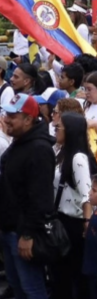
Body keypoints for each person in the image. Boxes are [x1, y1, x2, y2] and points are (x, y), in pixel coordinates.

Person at [0, 94, 56, 299]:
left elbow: (41, 200)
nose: (6, 119)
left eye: (13, 115)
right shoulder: (20, 141)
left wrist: (28, 235)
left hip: (23, 233)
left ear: (28, 119)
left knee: (32, 290)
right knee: (17, 286)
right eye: (6, 113)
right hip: (9, 228)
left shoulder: (39, 149)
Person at [51, 112, 97, 299]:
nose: (55, 130)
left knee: (72, 275)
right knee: (59, 275)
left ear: (70, 131)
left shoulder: (78, 158)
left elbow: (87, 193)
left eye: (58, 127)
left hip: (74, 223)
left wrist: (86, 222)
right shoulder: (59, 151)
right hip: (60, 218)